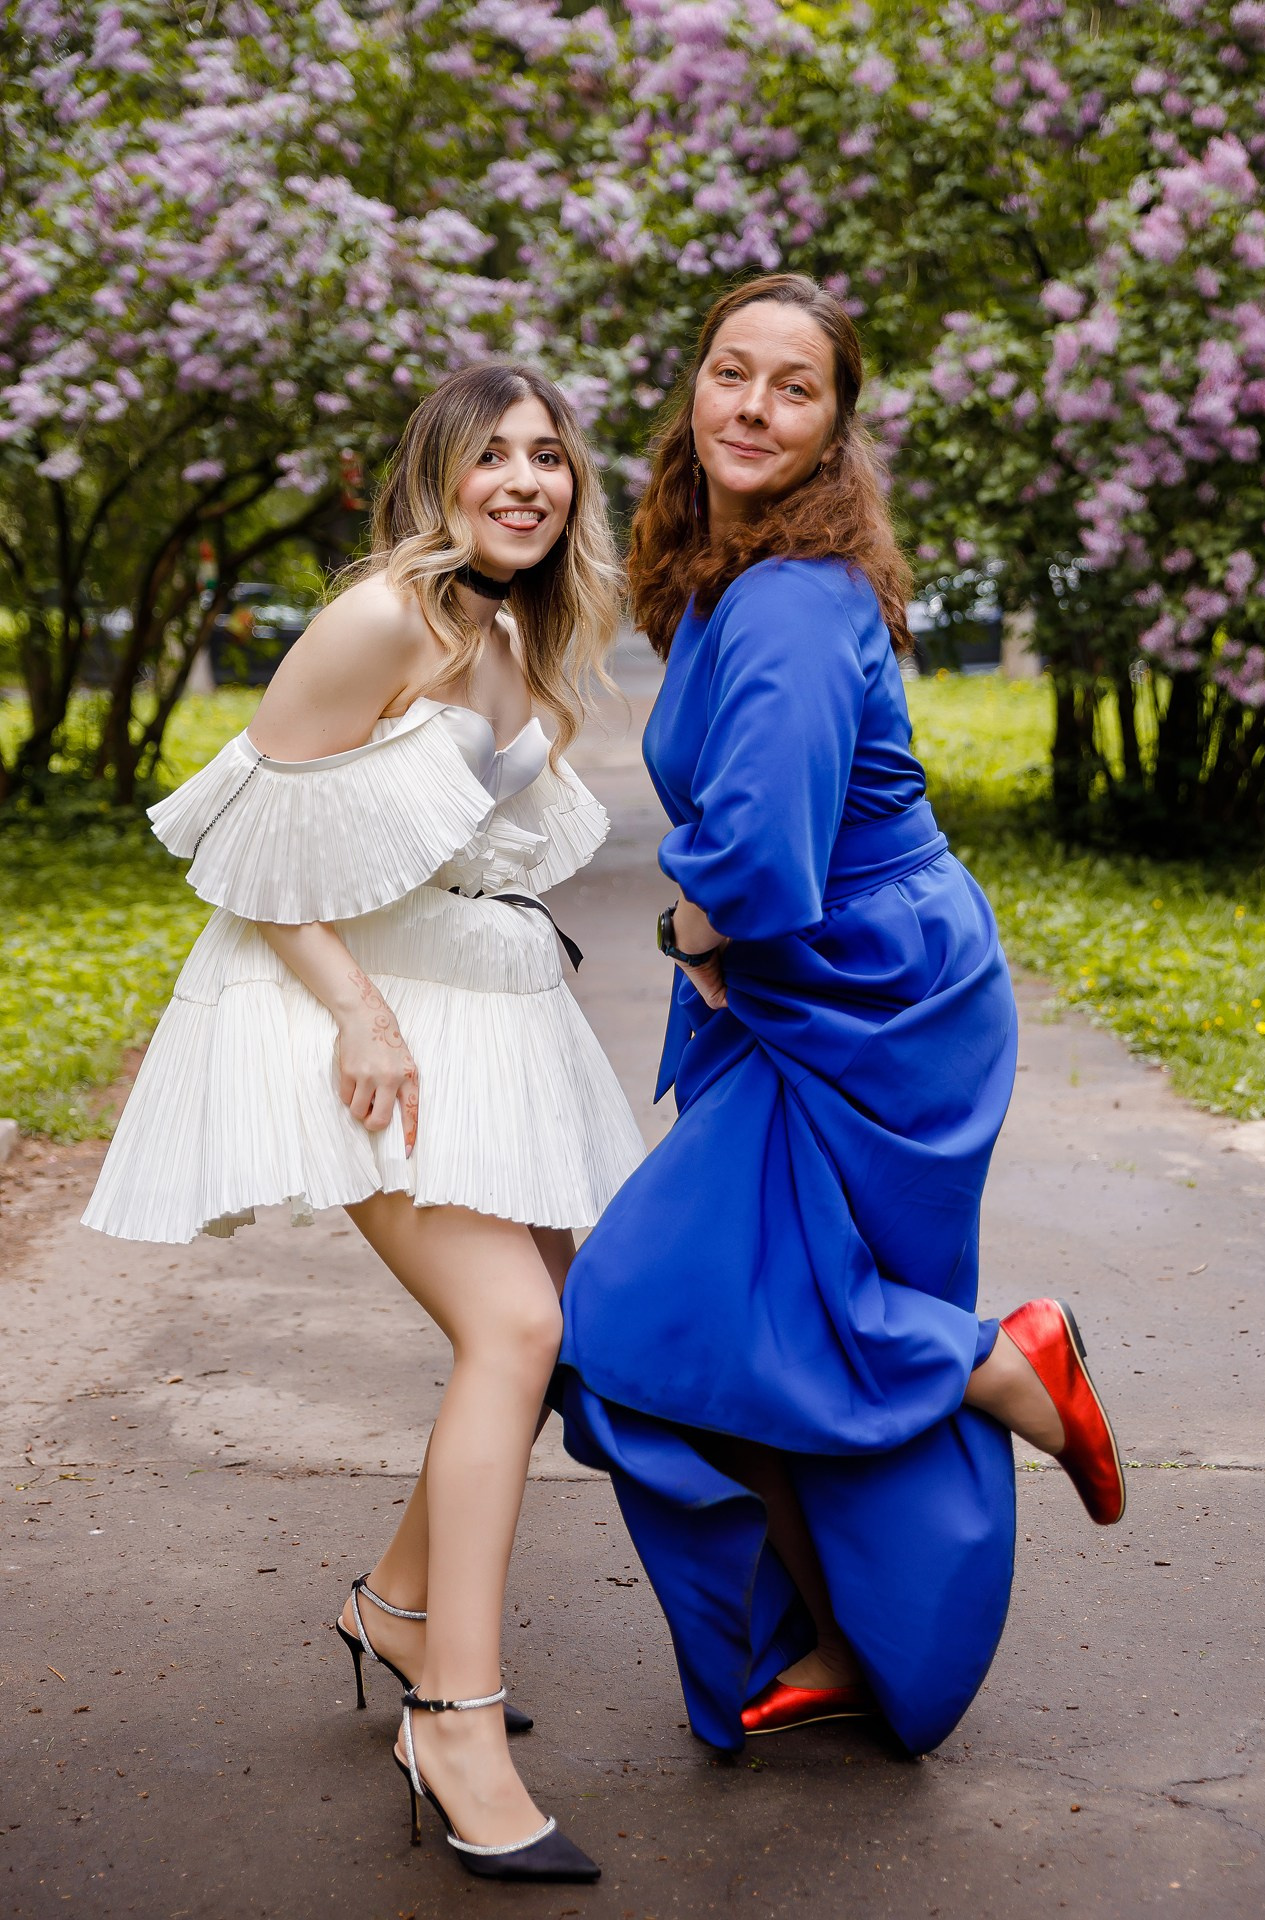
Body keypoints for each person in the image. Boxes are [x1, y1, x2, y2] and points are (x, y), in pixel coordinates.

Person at [83, 363, 646, 1883]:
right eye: (493, 455)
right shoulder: (382, 618)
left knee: (555, 1332)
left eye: (549, 457)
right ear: (438, 474)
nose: (525, 480)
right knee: (514, 1328)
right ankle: (452, 1720)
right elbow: (248, 847)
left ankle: (396, 1610)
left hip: (482, 1012)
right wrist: (358, 1012)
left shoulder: (514, 630)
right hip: (355, 1023)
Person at [555, 274, 1125, 1761]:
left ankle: (997, 1361)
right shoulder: (730, 574)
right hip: (825, 982)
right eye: (729, 372)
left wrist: (688, 928)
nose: (751, 407)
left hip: (872, 994)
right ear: (694, 390)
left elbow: (755, 860)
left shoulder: (794, 598)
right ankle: (855, 1640)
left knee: (646, 1309)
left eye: (792, 387)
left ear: (834, 428)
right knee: (750, 1333)